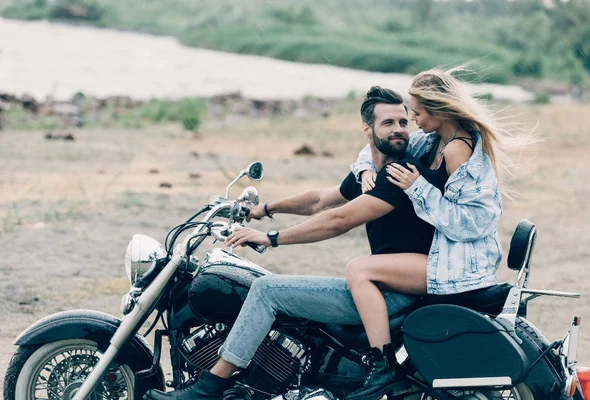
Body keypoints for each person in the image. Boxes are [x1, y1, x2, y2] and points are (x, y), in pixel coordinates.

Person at [144, 86, 434, 400]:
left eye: (403, 122)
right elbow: (320, 200)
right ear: (367, 129)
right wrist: (265, 209)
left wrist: (271, 238)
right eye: (388, 123)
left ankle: (207, 389)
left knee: (266, 291)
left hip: (393, 293)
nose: (399, 129)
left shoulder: (400, 173)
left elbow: (338, 220)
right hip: (381, 284)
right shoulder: (372, 173)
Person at [345, 67, 529, 399]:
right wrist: (364, 170)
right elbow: (378, 145)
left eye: (415, 112)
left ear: (438, 111)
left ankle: (383, 366)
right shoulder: (433, 140)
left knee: (359, 269)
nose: (411, 119)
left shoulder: (459, 150)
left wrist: (419, 189)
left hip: (461, 265)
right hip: (445, 256)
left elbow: (472, 223)